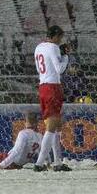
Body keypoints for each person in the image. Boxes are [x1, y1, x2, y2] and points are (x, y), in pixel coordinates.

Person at [34, 25, 72, 172]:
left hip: (42, 87)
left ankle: (57, 163)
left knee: (56, 126)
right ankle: (39, 163)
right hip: (52, 88)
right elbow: (59, 69)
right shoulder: (53, 47)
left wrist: (59, 54)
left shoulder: (38, 47)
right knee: (51, 128)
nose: (60, 40)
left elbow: (40, 68)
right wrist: (65, 56)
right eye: (60, 37)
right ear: (56, 36)